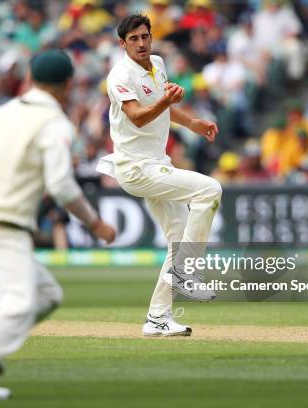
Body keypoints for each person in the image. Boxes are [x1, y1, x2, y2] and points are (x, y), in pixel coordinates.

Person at [0, 49, 116, 401]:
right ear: (68, 85)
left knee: (47, 294)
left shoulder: (2, 113)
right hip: (2, 225)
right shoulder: (55, 124)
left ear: (30, 80)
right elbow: (61, 185)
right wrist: (95, 224)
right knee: (19, 303)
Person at [97, 15, 222, 338]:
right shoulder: (120, 75)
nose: (141, 43)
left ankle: (157, 317)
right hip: (137, 168)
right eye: (134, 39)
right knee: (210, 189)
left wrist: (192, 122)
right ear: (122, 44)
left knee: (177, 239)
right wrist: (166, 100)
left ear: (151, 38)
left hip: (156, 162)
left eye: (145, 37)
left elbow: (162, 107)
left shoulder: (157, 63)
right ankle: (186, 273)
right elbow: (138, 116)